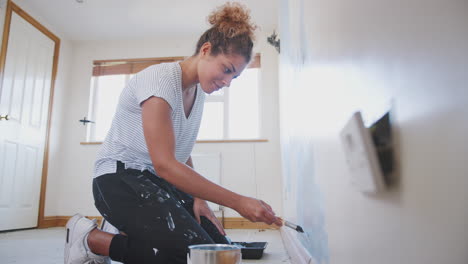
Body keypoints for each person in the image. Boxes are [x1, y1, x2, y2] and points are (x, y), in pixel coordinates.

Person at [64, 2, 282, 264]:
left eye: (233, 78)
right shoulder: (160, 79)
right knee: (188, 256)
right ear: (205, 50)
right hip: (118, 179)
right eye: (226, 70)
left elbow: (180, 151)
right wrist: (238, 202)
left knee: (220, 253)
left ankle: (125, 229)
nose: (226, 83)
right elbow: (165, 164)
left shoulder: (198, 92)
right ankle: (92, 240)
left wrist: (198, 199)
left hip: (157, 183)